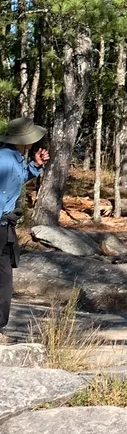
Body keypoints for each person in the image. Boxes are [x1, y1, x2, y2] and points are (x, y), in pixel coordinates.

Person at [0, 119, 49, 331]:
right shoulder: (6, 161)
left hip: (5, 226)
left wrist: (35, 166)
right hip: (1, 225)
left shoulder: (13, 157)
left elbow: (15, 181)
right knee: (3, 278)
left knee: (4, 277)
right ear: (26, 140)